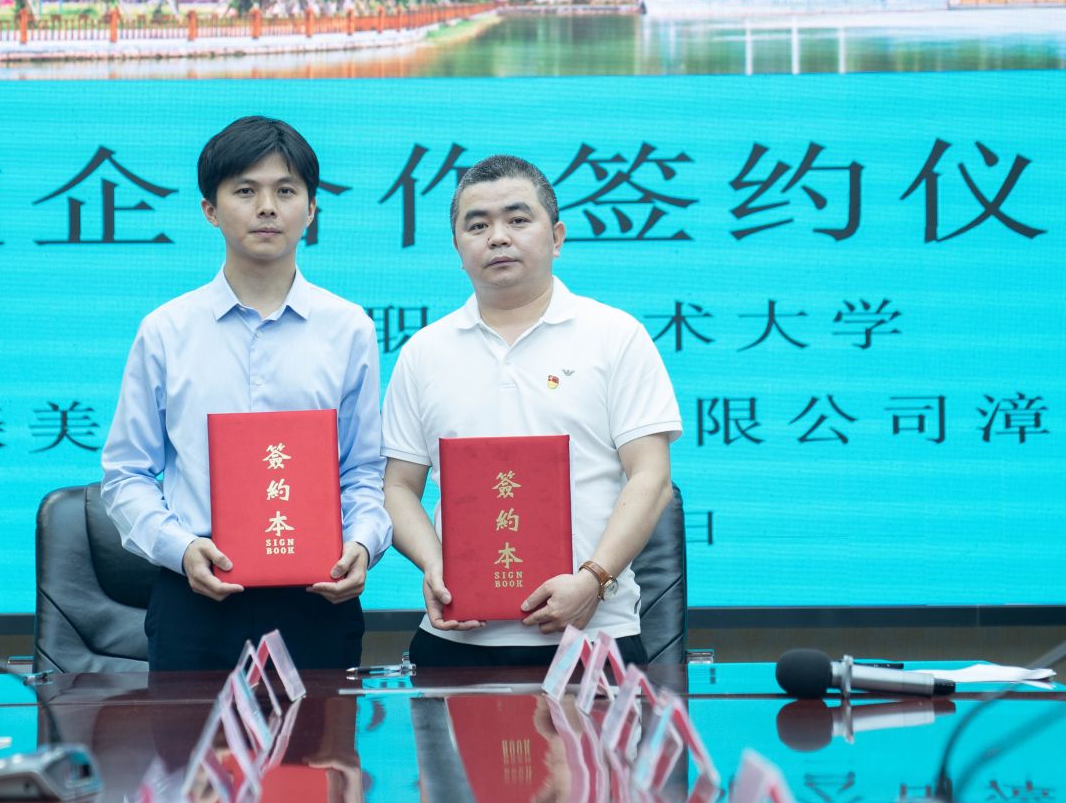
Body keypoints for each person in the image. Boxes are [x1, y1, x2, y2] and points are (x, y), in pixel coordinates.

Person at [102, 116, 389, 671]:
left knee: (321, 733)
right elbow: (125, 473)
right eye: (245, 191)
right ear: (210, 210)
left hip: (317, 597)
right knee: (190, 734)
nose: (267, 208)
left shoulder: (348, 327)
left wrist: (363, 542)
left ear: (312, 209)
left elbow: (362, 470)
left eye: (286, 191)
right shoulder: (166, 330)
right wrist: (181, 548)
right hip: (197, 597)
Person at [381, 154, 679, 667]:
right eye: (478, 225)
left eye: (518, 219)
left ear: (556, 237)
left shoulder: (615, 337)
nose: (498, 237)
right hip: (457, 640)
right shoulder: (424, 352)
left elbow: (651, 478)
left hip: (594, 637)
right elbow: (398, 487)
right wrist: (434, 565)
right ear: (457, 248)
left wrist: (593, 579)